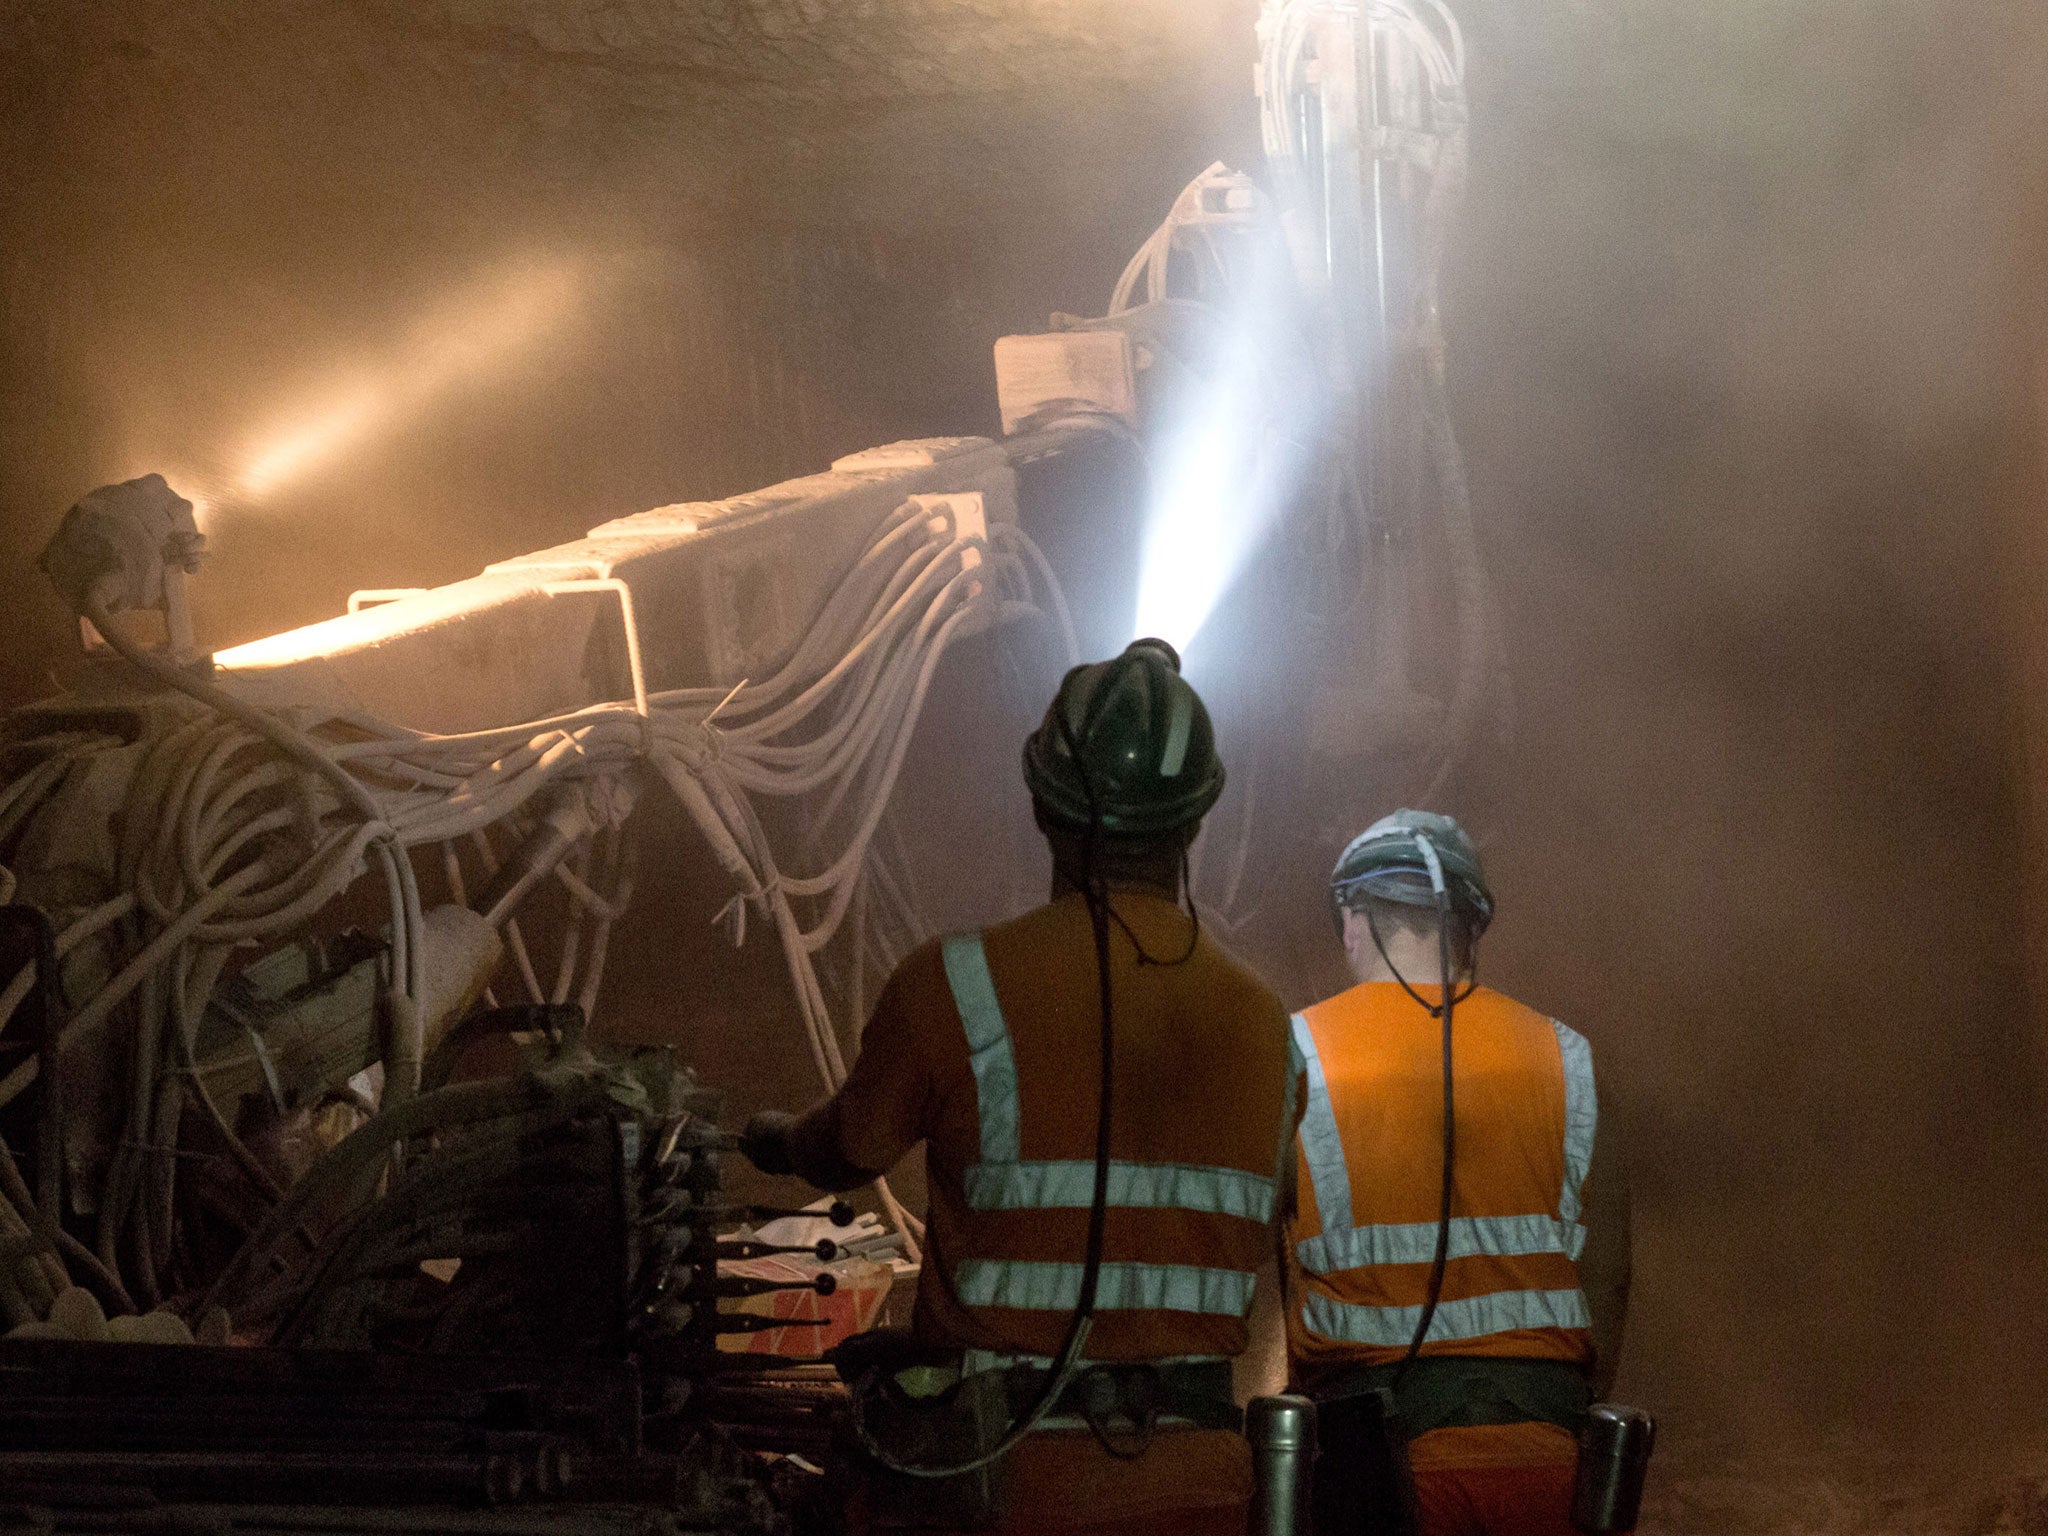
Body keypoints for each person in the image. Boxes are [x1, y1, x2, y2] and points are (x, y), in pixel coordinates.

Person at [742, 639, 1301, 1536]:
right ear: (1196, 826)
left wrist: (770, 1139)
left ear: (1042, 808)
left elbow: (844, 1152)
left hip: (999, 1481)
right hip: (1202, 1483)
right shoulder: (1268, 1024)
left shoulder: (953, 986)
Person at [1285, 810, 1632, 1536]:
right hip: (1549, 1451)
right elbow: (1609, 1272)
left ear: (1353, 920)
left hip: (1374, 1460)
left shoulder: (1299, 1052)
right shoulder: (1564, 1054)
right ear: (1470, 930)